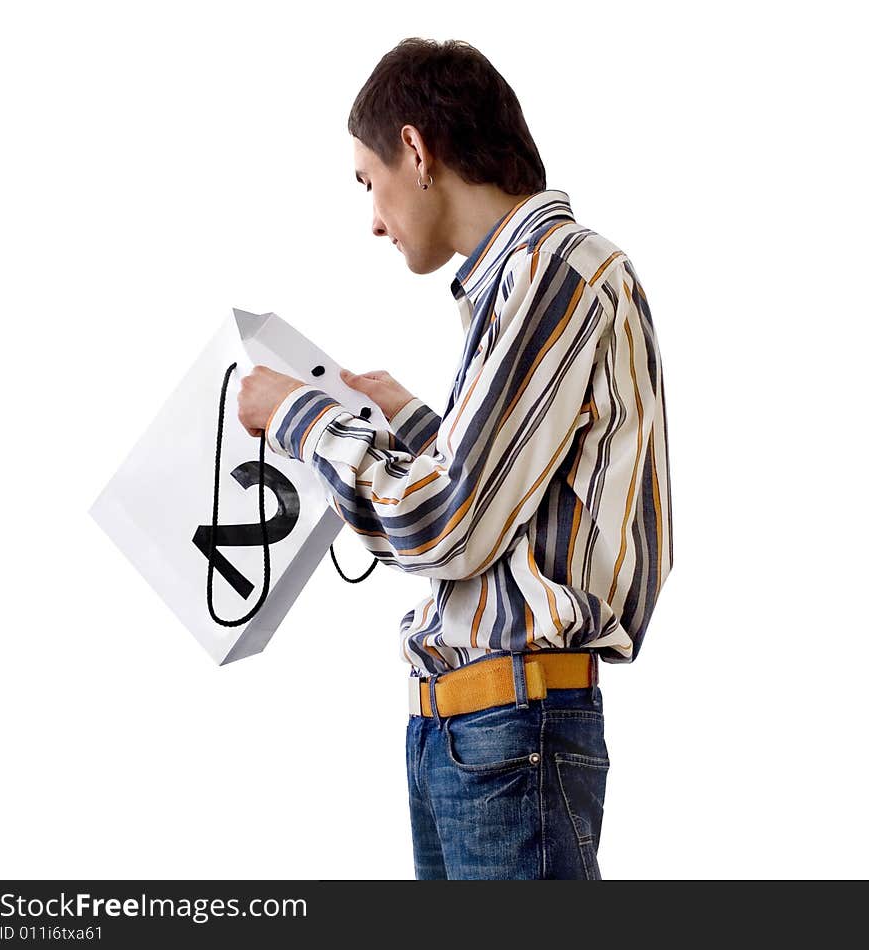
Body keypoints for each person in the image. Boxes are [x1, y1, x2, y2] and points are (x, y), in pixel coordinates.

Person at [237, 37, 673, 880]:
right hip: (476, 731)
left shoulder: (558, 272)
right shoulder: (522, 280)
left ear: (415, 149)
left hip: (509, 729)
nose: (372, 217)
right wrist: (412, 423)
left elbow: (446, 526)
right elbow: (514, 504)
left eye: (370, 183)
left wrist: (297, 415)